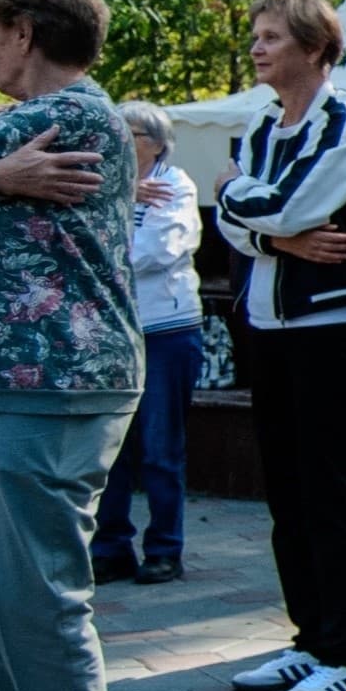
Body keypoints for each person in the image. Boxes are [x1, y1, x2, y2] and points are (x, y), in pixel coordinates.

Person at [0, 0, 139, 691]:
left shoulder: (68, 114)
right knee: (10, 591)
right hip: (37, 382)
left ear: (22, 31)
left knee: (39, 591)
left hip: (56, 382)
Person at [217, 0, 346, 691]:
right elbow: (238, 212)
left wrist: (256, 216)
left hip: (330, 323)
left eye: (271, 37)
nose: (257, 48)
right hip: (269, 322)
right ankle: (309, 639)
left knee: (326, 487)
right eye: (255, 36)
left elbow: (287, 204)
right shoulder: (261, 123)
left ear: (314, 48)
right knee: (285, 490)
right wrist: (274, 236)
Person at [92, 103, 204, 586]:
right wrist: (117, 196)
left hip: (165, 332)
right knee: (109, 451)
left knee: (160, 450)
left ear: (157, 143)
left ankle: (164, 550)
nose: (118, 139)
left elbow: (152, 252)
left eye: (129, 132)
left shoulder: (173, 185)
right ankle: (111, 548)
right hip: (115, 331)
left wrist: (105, 213)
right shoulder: (107, 183)